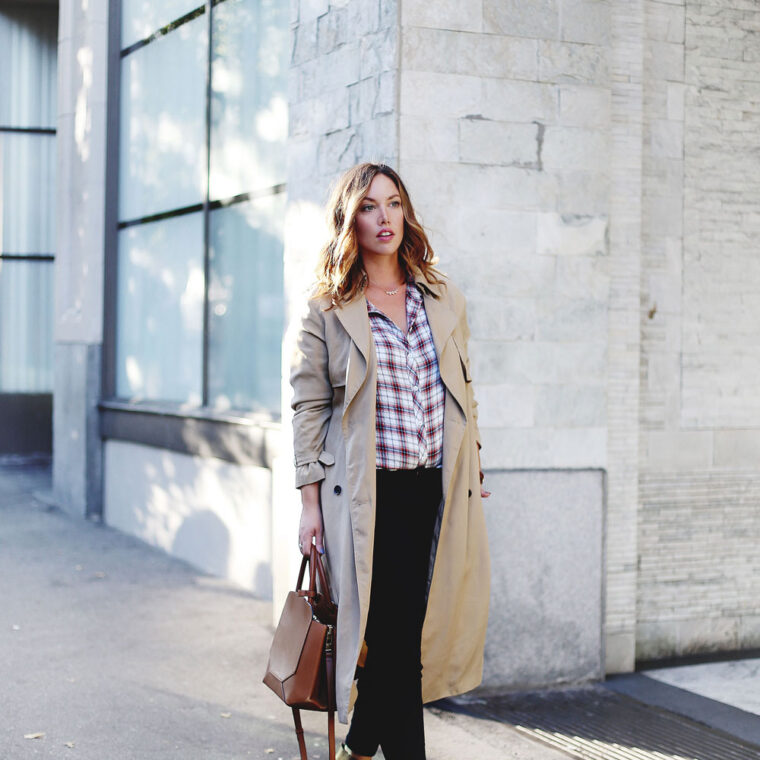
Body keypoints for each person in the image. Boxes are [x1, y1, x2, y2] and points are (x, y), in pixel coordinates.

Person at [289, 162, 491, 760]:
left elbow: (463, 388)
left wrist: (473, 462)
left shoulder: (441, 295)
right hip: (364, 495)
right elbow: (308, 406)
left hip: (431, 489)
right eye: (371, 206)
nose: (385, 218)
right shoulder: (328, 307)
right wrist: (308, 507)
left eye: (395, 203)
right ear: (351, 219)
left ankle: (358, 748)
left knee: (401, 636)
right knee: (392, 639)